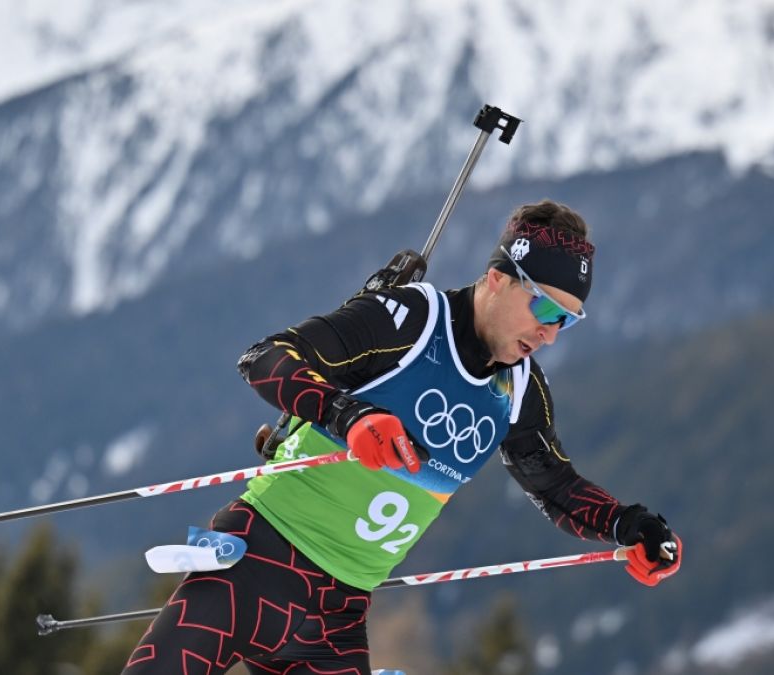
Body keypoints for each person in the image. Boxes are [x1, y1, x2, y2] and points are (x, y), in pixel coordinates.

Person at [122, 200, 682, 675]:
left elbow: (553, 484)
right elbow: (264, 357)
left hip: (336, 616)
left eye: (568, 320)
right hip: (257, 565)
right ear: (496, 279)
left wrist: (630, 524)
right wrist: (348, 417)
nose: (551, 332)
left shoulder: (520, 390)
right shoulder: (411, 320)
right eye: (543, 306)